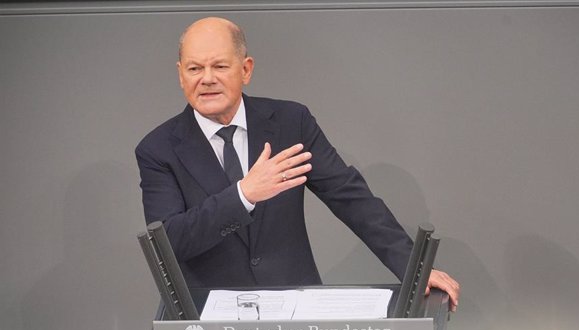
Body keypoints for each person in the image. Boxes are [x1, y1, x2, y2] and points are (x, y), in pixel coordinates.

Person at [135, 17, 460, 310]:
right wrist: (243, 195)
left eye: (219, 66)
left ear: (245, 69)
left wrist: (414, 269)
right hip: (209, 324)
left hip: (296, 314)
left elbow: (351, 198)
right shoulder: (158, 149)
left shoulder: (290, 123)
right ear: (180, 74)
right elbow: (171, 241)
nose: (207, 79)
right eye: (194, 69)